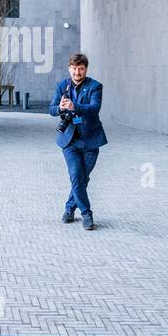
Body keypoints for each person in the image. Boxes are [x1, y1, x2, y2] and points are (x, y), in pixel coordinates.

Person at [49, 53, 107, 230]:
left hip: (91, 141)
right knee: (76, 175)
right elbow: (51, 110)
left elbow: (94, 108)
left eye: (80, 69)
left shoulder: (95, 86)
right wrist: (59, 107)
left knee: (82, 178)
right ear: (69, 68)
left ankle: (69, 209)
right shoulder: (62, 86)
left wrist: (75, 107)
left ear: (85, 69)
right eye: (74, 69)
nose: (77, 72)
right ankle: (86, 213)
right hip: (70, 141)